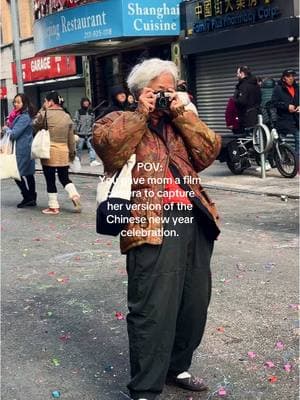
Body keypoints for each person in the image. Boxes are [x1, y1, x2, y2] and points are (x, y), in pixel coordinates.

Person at [93, 58, 221, 400]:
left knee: (193, 304)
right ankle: (146, 387)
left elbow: (209, 152)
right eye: (160, 90)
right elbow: (109, 150)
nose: (167, 96)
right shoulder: (117, 119)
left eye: (172, 89)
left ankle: (176, 366)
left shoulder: (180, 121)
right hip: (149, 223)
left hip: (193, 222)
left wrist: (183, 113)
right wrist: (140, 114)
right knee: (152, 309)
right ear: (140, 91)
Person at [33, 91, 81, 215]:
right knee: (64, 178)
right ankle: (74, 194)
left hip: (49, 151)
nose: (44, 103)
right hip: (63, 151)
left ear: (50, 102)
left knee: (50, 180)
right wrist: (72, 153)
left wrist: (42, 109)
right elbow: (71, 138)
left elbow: (34, 124)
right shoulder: (66, 116)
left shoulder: (45, 114)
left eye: (45, 101)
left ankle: (53, 206)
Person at [3, 93, 37, 208]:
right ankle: (31, 197)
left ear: (24, 103)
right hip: (24, 148)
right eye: (15, 102)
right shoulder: (19, 115)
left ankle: (27, 196)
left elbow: (14, 134)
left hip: (22, 149)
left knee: (15, 173)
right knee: (28, 174)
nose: (15, 104)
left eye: (18, 102)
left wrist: (6, 129)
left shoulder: (24, 117)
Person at [271, 69, 299, 159]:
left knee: (299, 139)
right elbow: (274, 103)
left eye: (292, 76)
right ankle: (277, 159)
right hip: (283, 120)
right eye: (288, 76)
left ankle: (298, 162)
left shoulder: (296, 87)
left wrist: (299, 106)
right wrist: (287, 106)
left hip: (296, 119)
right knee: (279, 141)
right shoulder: (278, 88)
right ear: (283, 78)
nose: (291, 78)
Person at [234, 66, 261, 133]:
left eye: (238, 73)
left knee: (246, 139)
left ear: (242, 73)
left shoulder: (243, 85)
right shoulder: (256, 85)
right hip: (255, 116)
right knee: (254, 137)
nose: (237, 75)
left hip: (246, 118)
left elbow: (242, 101)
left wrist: (234, 100)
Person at [74, 97, 100, 166]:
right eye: (84, 102)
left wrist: (93, 129)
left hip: (89, 133)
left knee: (91, 147)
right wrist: (75, 130)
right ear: (82, 103)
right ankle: (77, 161)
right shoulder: (79, 111)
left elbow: (93, 121)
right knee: (79, 148)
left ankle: (93, 160)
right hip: (80, 134)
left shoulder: (91, 112)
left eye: (87, 101)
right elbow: (76, 121)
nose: (86, 103)